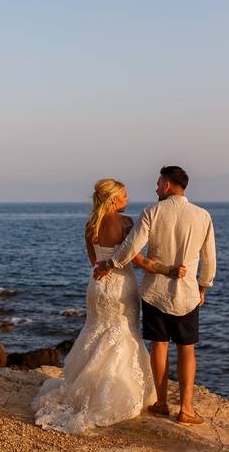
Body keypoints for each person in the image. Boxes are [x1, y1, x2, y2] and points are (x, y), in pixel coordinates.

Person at [32, 178, 186, 434]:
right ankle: (112, 393)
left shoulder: (90, 226)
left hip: (96, 286)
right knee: (124, 333)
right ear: (113, 199)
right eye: (124, 196)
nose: (128, 200)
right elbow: (139, 261)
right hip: (121, 286)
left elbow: (94, 261)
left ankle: (83, 388)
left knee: (96, 330)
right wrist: (169, 270)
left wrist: (103, 268)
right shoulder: (126, 224)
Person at [93, 166, 216, 426]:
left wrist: (110, 264)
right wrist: (203, 285)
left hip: (154, 292)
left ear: (169, 185)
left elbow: (131, 246)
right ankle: (186, 409)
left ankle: (161, 402)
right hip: (187, 294)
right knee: (187, 349)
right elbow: (209, 257)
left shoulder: (152, 211)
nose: (156, 187)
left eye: (159, 183)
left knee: (159, 345)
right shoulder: (203, 216)